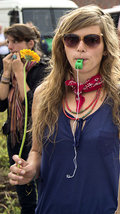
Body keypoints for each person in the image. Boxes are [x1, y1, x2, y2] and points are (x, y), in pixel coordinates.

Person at [7, 5, 120, 213]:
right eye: (72, 39)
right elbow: (37, 150)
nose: (80, 47)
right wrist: (30, 169)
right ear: (62, 46)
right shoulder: (44, 94)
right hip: (53, 207)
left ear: (105, 47)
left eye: (92, 40)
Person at [0, 23, 48, 214]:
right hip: (14, 134)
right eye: (9, 42)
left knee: (38, 184)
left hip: (34, 136)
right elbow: (1, 103)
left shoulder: (42, 68)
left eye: (15, 42)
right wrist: (6, 73)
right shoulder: (10, 65)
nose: (10, 47)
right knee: (23, 193)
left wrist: (20, 75)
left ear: (30, 43)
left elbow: (32, 103)